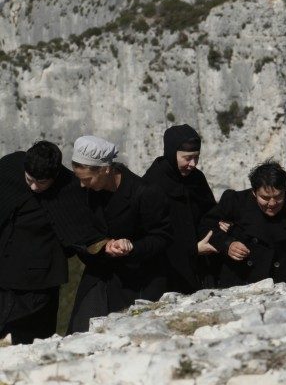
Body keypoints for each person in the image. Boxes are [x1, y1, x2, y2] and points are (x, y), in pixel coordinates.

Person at [0, 142, 107, 344]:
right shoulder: (9, 168)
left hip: (39, 280)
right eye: (29, 180)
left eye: (41, 183)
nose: (33, 187)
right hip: (3, 272)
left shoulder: (70, 189)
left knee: (31, 338)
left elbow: (81, 231)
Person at [68, 135, 173, 334]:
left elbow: (162, 237)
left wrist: (132, 247)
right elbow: (79, 231)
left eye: (87, 179)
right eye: (80, 179)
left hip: (137, 281)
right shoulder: (86, 192)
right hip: (99, 278)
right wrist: (104, 246)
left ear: (105, 169)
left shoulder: (144, 193)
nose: (83, 185)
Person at [200, 162, 286, 287]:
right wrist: (228, 244)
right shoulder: (235, 202)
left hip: (284, 282)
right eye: (265, 198)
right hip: (242, 280)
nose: (272, 203)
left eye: (278, 196)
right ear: (254, 192)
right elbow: (206, 225)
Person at [143, 124, 217, 294]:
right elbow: (153, 236)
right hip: (168, 273)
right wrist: (192, 249)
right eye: (187, 158)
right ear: (171, 153)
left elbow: (209, 212)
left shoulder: (196, 178)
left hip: (202, 268)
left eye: (196, 158)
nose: (193, 164)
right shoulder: (152, 184)